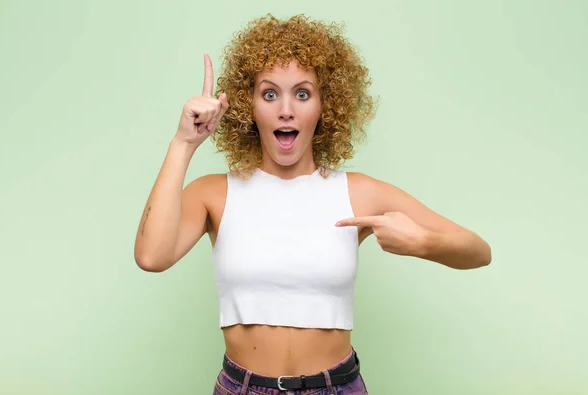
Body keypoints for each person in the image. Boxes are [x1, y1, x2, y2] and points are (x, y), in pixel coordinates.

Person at [134, 14, 492, 395]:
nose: (285, 110)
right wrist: (183, 143)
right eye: (269, 94)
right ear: (248, 105)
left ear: (325, 105)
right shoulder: (214, 193)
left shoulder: (358, 192)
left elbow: (478, 251)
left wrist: (423, 242)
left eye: (302, 93)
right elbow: (151, 257)